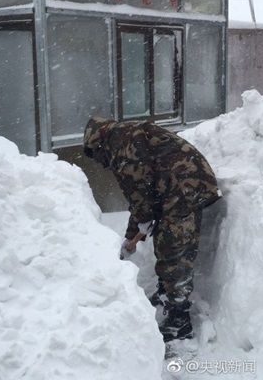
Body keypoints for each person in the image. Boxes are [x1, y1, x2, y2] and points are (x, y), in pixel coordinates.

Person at [83, 117, 221, 343]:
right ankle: (167, 292)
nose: (101, 163)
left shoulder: (121, 143)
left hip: (185, 185)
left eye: (97, 157)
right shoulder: (123, 137)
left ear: (99, 143)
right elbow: (140, 196)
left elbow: (139, 190)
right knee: (165, 241)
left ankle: (179, 320)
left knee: (175, 250)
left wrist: (143, 220)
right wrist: (132, 235)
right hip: (174, 186)